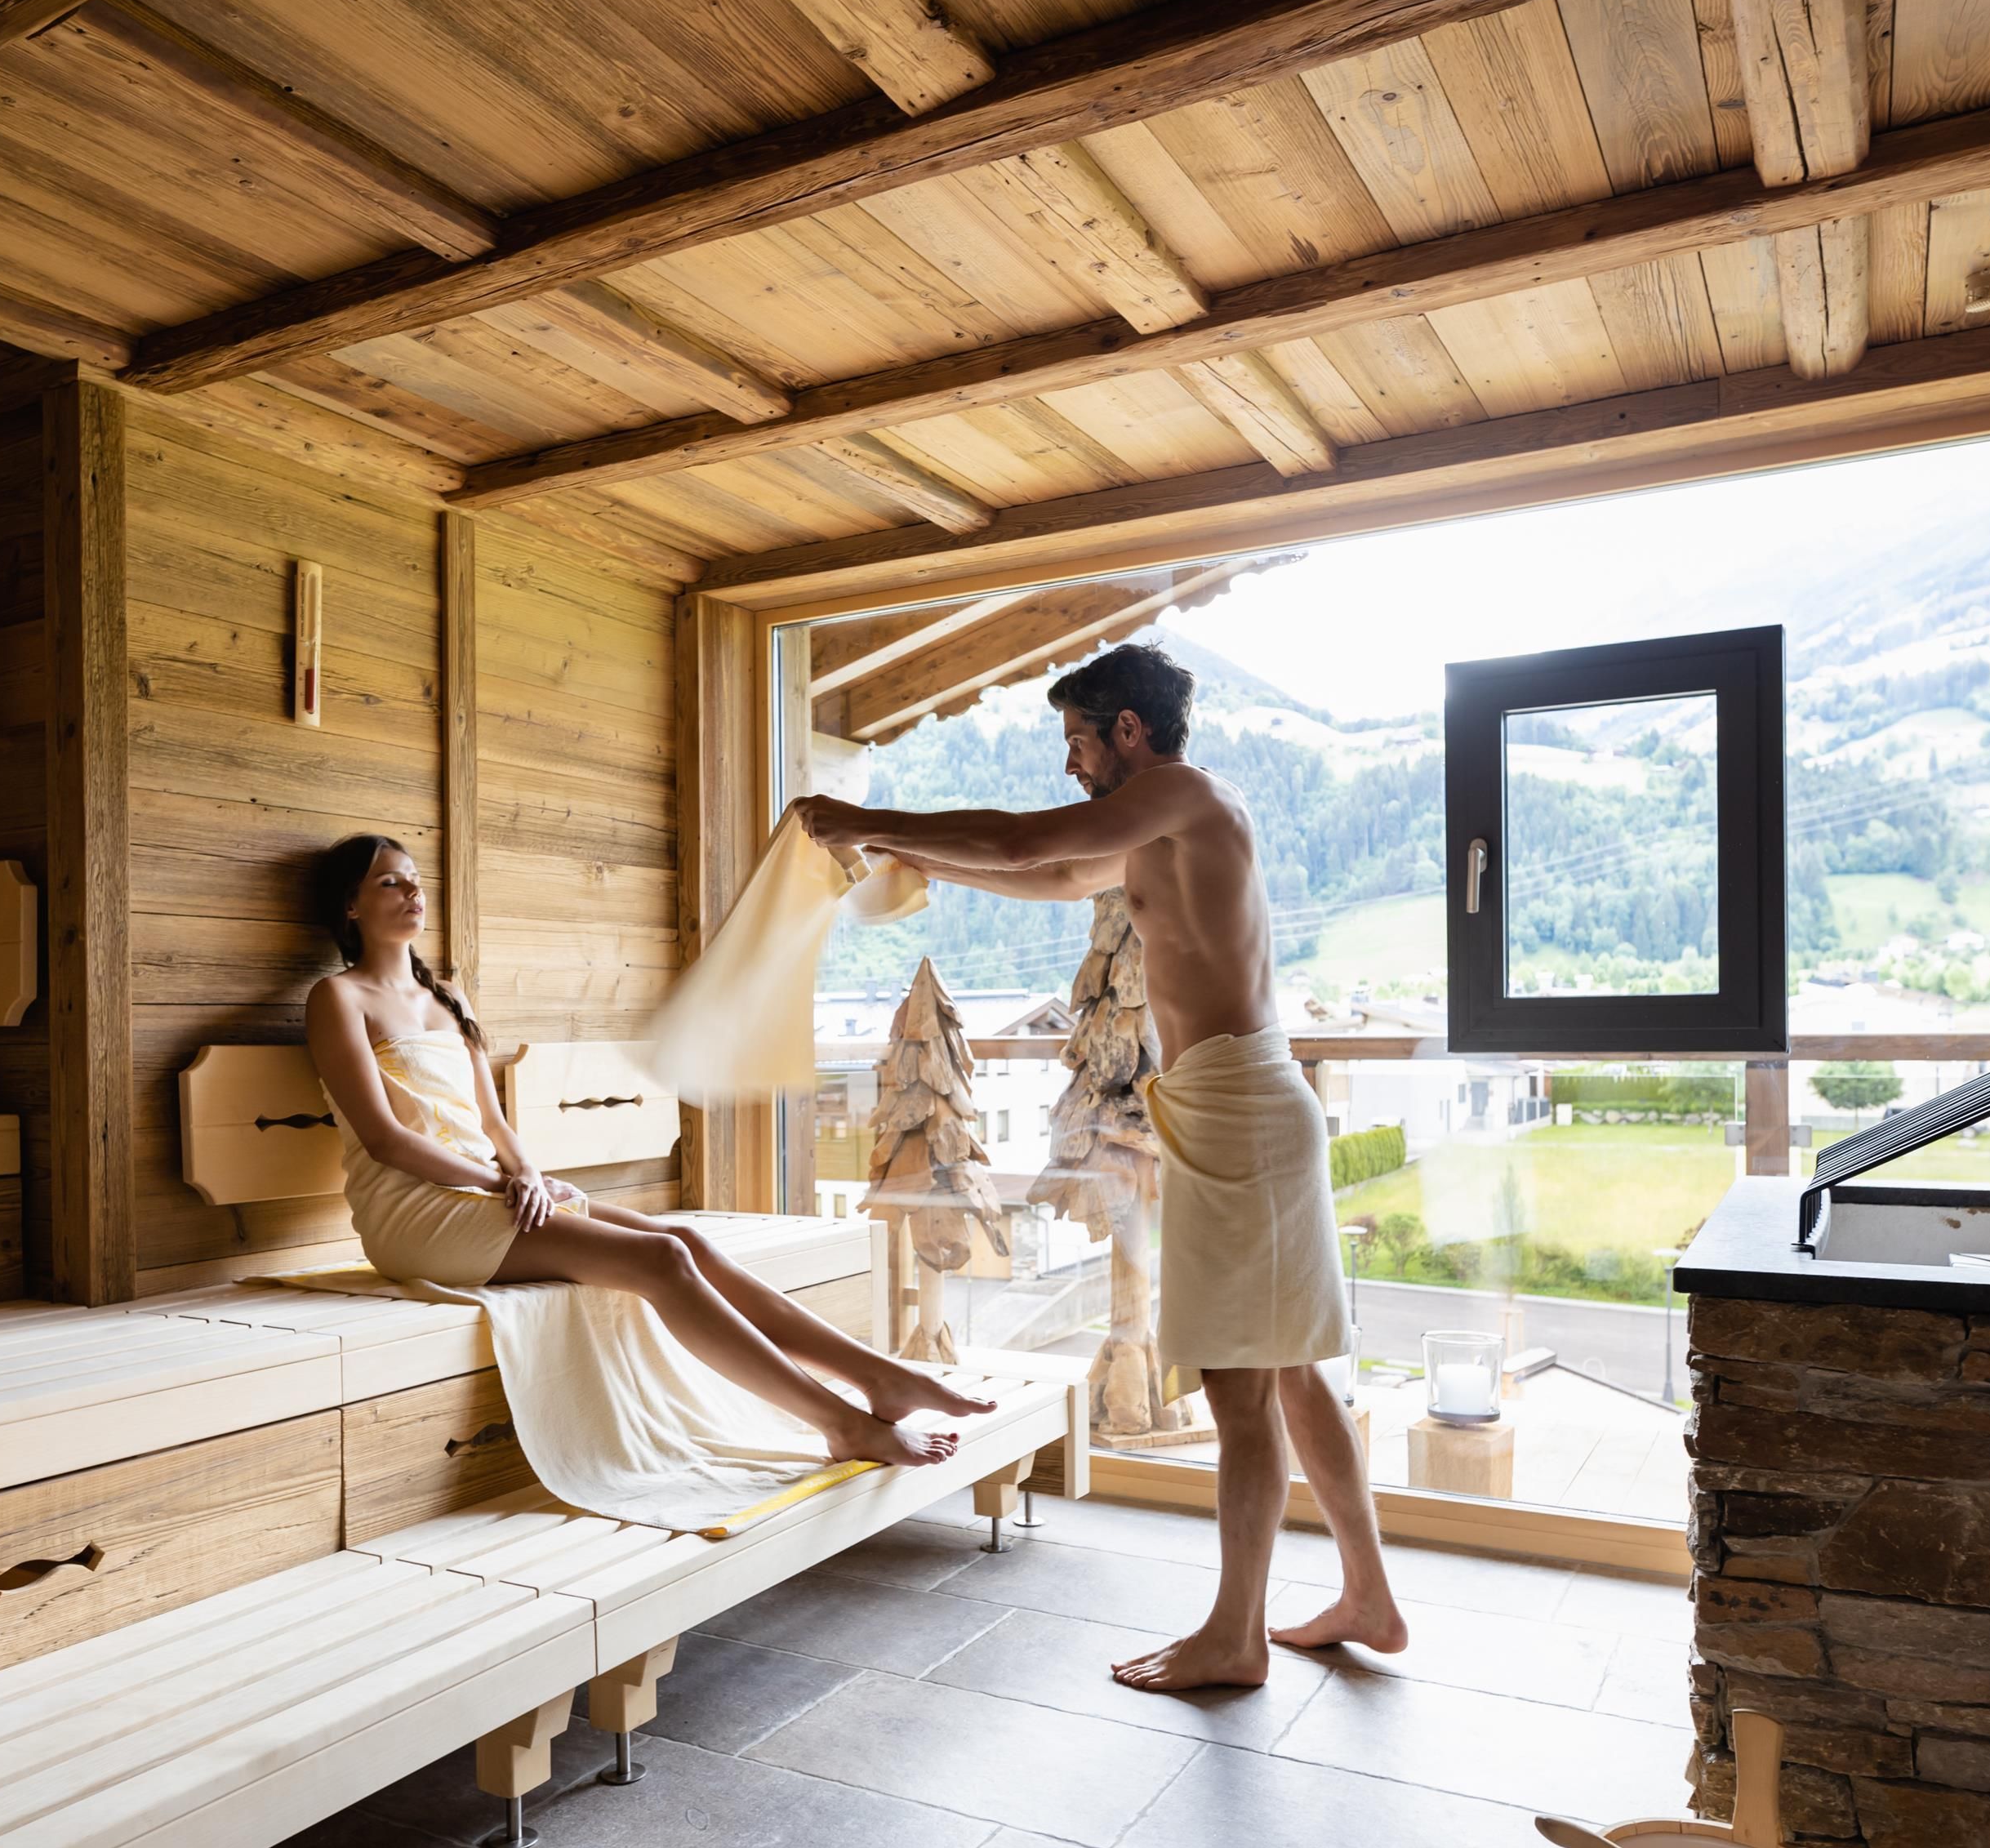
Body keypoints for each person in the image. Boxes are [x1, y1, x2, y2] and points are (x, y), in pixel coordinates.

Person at [792, 643, 1408, 1690]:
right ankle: (1368, 1598)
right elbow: (1050, 873)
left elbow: (1025, 839)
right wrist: (912, 855)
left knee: (1242, 1391)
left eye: (1078, 741)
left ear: (1129, 730)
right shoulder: (1161, 827)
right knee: (1293, 1373)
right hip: (1239, 1108)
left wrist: (863, 819)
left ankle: (1235, 1637)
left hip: (1240, 1117)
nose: (1070, 764)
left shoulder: (1186, 796)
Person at [302, 832, 985, 1472]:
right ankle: (841, 1424)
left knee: (688, 1242)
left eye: (415, 880)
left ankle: (878, 1377)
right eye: (389, 883)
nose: (413, 892)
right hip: (417, 1216)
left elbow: (494, 1123)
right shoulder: (337, 998)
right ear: (350, 906)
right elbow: (386, 1139)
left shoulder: (447, 997)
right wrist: (497, 1184)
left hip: (488, 1193)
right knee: (662, 1261)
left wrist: (530, 1174)